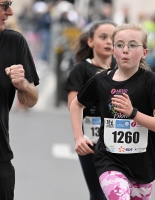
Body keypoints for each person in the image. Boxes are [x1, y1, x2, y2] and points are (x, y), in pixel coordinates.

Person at [69, 23, 155, 199]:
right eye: (119, 45)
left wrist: (133, 113)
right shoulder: (100, 81)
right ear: (113, 51)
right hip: (108, 160)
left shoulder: (152, 83)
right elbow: (76, 104)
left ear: (144, 53)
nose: (125, 50)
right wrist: (79, 137)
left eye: (132, 45)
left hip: (143, 165)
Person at [0, 1, 39, 199]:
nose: (10, 11)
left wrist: (23, 85)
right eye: (5, 5)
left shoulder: (14, 42)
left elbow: (31, 100)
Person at [65, 20, 117, 200]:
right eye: (103, 37)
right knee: (99, 193)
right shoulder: (81, 69)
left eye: (113, 38)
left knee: (120, 193)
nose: (109, 42)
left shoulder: (124, 69)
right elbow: (73, 105)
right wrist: (79, 137)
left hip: (120, 141)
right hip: (92, 142)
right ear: (90, 42)